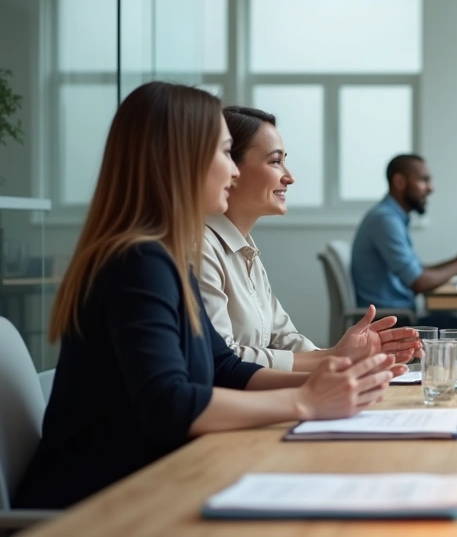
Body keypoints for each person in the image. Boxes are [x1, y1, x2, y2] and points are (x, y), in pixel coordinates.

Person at [14, 83, 404, 510]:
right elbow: (167, 403)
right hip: (99, 507)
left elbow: (223, 367)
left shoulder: (164, 256)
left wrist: (332, 383)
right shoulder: (137, 261)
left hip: (151, 484)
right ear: (178, 160)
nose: (234, 171)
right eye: (223, 153)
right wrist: (306, 400)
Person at [198, 106, 422, 371]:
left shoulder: (246, 249)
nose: (289, 177)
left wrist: (342, 356)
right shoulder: (200, 248)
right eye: (274, 161)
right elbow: (223, 361)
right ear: (230, 169)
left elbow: (284, 337)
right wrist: (334, 360)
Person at [350, 154, 457, 339]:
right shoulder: (385, 220)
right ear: (399, 182)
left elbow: (418, 270)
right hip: (390, 322)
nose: (430, 188)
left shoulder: (392, 217)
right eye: (423, 180)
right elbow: (419, 282)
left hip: (396, 316)